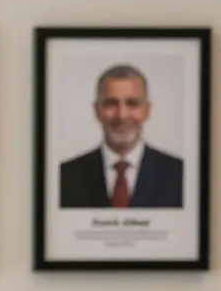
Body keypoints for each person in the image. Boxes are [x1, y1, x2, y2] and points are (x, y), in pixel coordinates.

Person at [58, 64, 183, 208]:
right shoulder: (65, 177)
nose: (122, 115)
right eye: (111, 103)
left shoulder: (179, 175)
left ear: (147, 110)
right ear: (97, 111)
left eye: (132, 103)